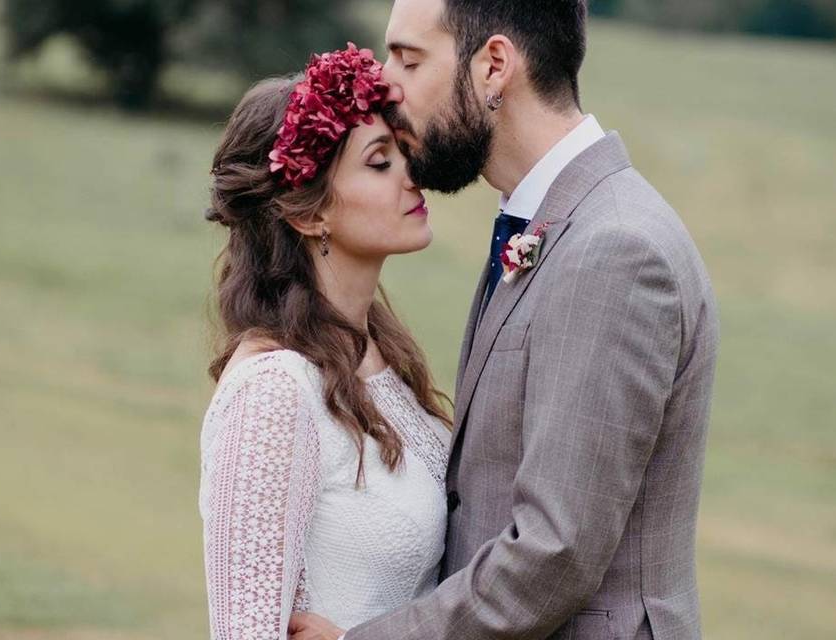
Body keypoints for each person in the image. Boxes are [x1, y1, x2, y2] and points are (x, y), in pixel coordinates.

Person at [289, 1, 720, 639]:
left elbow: (554, 553)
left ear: (494, 66)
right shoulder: (551, 222)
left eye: (409, 58)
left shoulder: (614, 251)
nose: (383, 83)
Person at [198, 44, 454, 640]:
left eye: (403, 152)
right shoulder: (272, 394)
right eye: (379, 162)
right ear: (309, 214)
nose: (413, 175)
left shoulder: (381, 360)